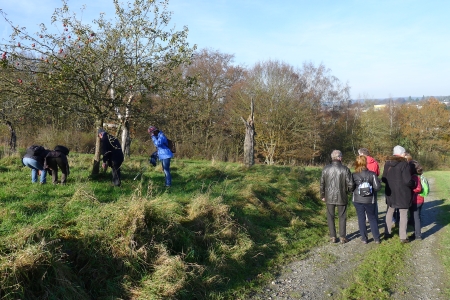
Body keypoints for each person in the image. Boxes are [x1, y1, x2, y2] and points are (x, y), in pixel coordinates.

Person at [382, 145, 415, 243]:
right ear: (401, 153)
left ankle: (387, 233)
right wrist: (414, 183)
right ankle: (403, 237)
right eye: (404, 153)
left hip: (390, 192)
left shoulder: (387, 163)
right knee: (403, 213)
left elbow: (384, 178)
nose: (405, 154)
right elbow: (407, 181)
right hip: (402, 192)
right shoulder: (404, 164)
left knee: (389, 211)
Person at [320, 150, 354, 244]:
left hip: (329, 196)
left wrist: (322, 195)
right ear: (339, 157)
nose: (342, 158)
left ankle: (333, 237)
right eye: (341, 156)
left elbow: (322, 183)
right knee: (342, 216)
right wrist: (349, 192)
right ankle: (342, 237)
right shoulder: (345, 169)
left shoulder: (326, 169)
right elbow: (351, 184)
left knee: (330, 216)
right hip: (341, 196)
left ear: (332, 157)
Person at [352, 155, 382, 244]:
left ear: (356, 163)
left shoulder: (353, 175)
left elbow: (350, 187)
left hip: (357, 199)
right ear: (365, 163)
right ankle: (377, 238)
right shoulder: (372, 174)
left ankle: (364, 238)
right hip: (369, 200)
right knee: (372, 218)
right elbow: (377, 188)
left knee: (361, 218)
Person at [358, 148, 380, 221]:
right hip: (373, 183)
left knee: (363, 201)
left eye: (359, 154)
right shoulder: (375, 162)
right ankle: (374, 218)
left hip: (363, 184)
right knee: (374, 201)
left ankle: (364, 218)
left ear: (362, 154)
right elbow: (378, 173)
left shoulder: (361, 162)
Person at [409, 160, 424, 240]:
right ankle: (416, 233)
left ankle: (418, 235)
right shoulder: (419, 176)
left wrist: (411, 189)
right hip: (420, 200)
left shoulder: (414, 177)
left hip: (416, 200)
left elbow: (418, 188)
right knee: (416, 217)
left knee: (416, 218)